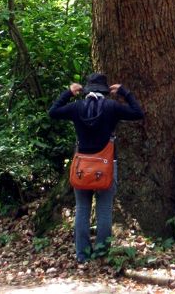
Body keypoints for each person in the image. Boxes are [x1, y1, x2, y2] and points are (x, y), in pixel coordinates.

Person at [48, 72, 144, 264]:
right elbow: (138, 113)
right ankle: (101, 252)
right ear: (104, 90)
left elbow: (53, 112)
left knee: (82, 208)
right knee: (104, 209)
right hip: (106, 166)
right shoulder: (112, 106)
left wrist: (68, 93)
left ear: (87, 89)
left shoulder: (77, 107)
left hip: (82, 168)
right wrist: (125, 93)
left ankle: (82, 255)